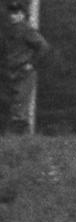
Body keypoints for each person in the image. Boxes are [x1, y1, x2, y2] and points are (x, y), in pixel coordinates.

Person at [2, 0, 49, 135]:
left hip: (23, 72)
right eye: (11, 13)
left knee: (19, 108)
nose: (13, 16)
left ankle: (18, 141)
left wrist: (32, 64)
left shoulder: (27, 30)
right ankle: (23, 141)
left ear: (22, 14)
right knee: (13, 107)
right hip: (9, 73)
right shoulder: (7, 31)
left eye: (16, 13)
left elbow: (43, 47)